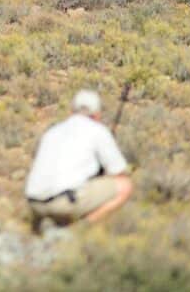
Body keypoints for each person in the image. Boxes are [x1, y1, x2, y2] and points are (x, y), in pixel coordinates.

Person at [25, 89, 133, 228]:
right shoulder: (98, 131)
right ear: (97, 114)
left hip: (34, 203)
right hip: (62, 202)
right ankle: (78, 230)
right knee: (124, 185)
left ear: (71, 111)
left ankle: (46, 226)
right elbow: (119, 171)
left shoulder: (53, 132)